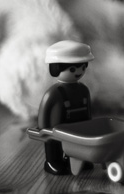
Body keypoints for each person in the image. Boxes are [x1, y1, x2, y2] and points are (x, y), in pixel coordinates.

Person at [38, 40, 95, 175]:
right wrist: (43, 129)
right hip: (55, 128)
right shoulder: (53, 93)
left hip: (79, 127)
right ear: (56, 69)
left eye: (82, 67)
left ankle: (80, 160)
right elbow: (44, 111)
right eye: (73, 69)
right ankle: (52, 162)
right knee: (54, 145)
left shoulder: (83, 90)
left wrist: (90, 125)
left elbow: (87, 109)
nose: (79, 72)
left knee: (80, 145)